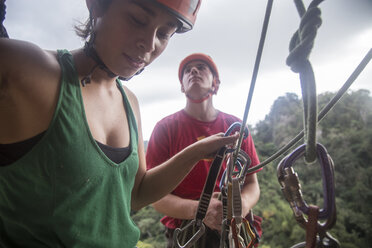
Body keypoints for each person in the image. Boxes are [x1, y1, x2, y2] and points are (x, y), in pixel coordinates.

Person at [0, 1, 242, 246]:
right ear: (97, 5)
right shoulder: (31, 70)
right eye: (137, 20)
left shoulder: (130, 102)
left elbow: (136, 194)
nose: (149, 45)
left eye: (163, 34)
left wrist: (198, 151)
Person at [146, 53, 262, 247]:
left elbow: (252, 184)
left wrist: (242, 205)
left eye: (201, 67)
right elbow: (156, 197)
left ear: (215, 83)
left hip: (235, 228)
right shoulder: (165, 129)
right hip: (188, 231)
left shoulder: (235, 126)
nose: (193, 71)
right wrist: (198, 210)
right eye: (187, 70)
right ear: (182, 86)